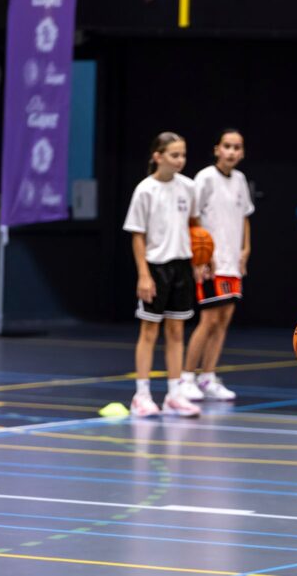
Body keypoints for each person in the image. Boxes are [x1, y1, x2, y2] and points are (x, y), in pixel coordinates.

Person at [122, 132, 202, 418]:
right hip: (156, 266)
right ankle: (141, 395)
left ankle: (174, 394)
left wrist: (200, 260)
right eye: (174, 155)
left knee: (177, 331)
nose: (180, 160)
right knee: (149, 331)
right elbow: (137, 235)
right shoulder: (145, 190)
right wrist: (143, 275)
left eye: (183, 155)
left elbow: (195, 225)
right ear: (158, 157)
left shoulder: (189, 187)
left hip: (182, 265)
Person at [179, 129, 253, 402]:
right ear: (217, 149)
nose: (231, 152)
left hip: (232, 261)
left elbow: (245, 216)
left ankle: (208, 377)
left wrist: (246, 248)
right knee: (208, 320)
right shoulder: (205, 178)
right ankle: (186, 378)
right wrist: (200, 255)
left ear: (242, 152)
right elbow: (193, 217)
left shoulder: (240, 180)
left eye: (237, 147)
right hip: (211, 261)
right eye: (227, 146)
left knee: (223, 321)